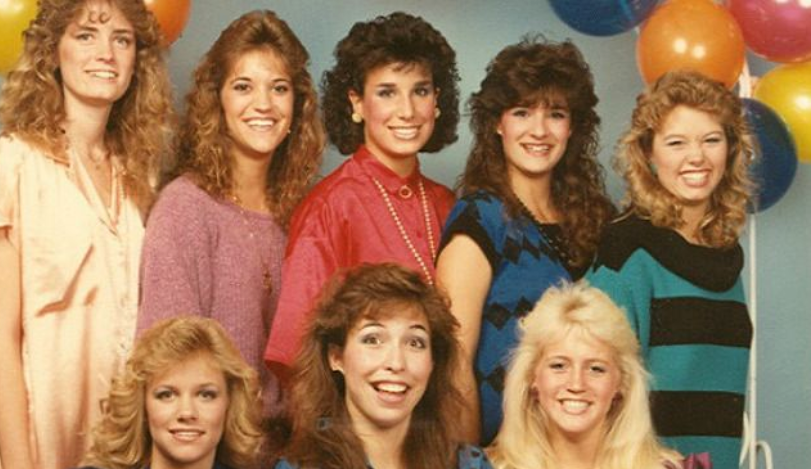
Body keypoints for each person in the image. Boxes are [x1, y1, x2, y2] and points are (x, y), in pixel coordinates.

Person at [0, 0, 174, 469]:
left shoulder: (136, 173)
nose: (106, 53)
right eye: (86, 35)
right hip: (39, 437)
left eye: (122, 39)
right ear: (52, 53)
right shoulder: (15, 163)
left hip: (122, 439)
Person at [136, 10, 324, 414]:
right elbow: (168, 367)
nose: (264, 104)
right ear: (216, 101)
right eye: (243, 87)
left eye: (279, 88)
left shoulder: (304, 213)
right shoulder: (184, 209)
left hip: (296, 446)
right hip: (211, 444)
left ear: (298, 104)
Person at [586, 70, 754, 469]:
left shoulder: (723, 252)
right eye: (676, 142)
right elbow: (593, 396)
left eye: (711, 140)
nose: (696, 157)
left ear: (731, 149)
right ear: (648, 153)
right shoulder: (628, 252)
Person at [436, 37, 615, 446]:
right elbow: (453, 363)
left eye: (555, 114)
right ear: (497, 123)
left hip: (588, 453)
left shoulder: (598, 219)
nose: (539, 130)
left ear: (573, 127)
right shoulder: (480, 218)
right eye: (522, 112)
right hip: (505, 457)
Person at [264, 12, 461, 382]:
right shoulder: (330, 207)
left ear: (437, 100)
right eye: (387, 92)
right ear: (356, 103)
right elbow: (298, 357)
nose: (407, 111)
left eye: (420, 91)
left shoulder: (449, 205)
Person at [262, 264, 507, 469]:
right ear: (336, 357)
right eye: (373, 340)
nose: (396, 363)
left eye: (415, 343)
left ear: (433, 362)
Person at [488, 282, 715, 469]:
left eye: (596, 369)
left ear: (621, 383)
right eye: (559, 365)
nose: (576, 384)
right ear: (532, 378)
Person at [44, 316, 264, 469]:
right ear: (142, 406)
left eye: (206, 395)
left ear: (230, 404)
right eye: (166, 395)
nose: (187, 412)